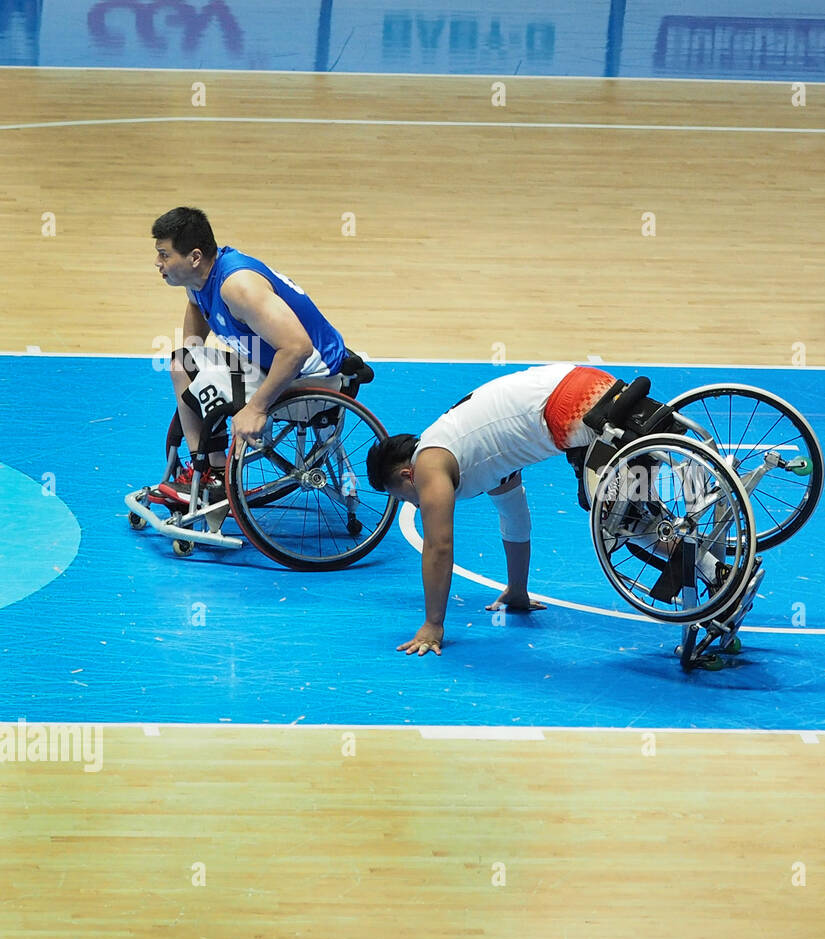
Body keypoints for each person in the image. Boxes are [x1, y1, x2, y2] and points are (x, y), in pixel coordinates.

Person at [366, 362, 620, 657]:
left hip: (573, 405)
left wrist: (433, 624)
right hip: (591, 383)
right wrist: (517, 589)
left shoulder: (428, 463)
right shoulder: (478, 454)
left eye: (407, 498)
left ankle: (684, 569)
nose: (415, 503)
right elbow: (515, 517)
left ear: (406, 476)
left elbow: (439, 546)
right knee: (634, 503)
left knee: (625, 522)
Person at [150, 206, 352, 503]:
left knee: (207, 383)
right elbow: (196, 306)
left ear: (194, 257)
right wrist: (194, 361)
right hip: (270, 364)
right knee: (183, 364)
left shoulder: (238, 288)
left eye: (164, 254)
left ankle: (215, 476)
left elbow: (297, 348)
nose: (157, 262)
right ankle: (208, 471)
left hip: (314, 379)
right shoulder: (200, 279)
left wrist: (256, 408)